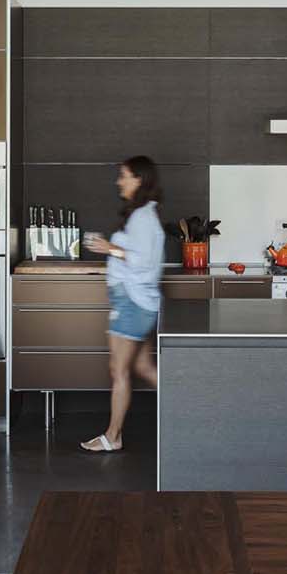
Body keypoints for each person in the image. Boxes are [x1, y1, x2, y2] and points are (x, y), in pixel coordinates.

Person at [80, 156, 165, 455]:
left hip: (132, 304)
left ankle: (113, 436)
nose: (119, 181)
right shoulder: (142, 215)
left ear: (139, 179)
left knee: (119, 371)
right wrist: (114, 249)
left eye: (124, 176)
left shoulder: (143, 217)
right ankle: (192, 409)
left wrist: (109, 248)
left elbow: (144, 261)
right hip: (134, 302)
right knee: (142, 366)